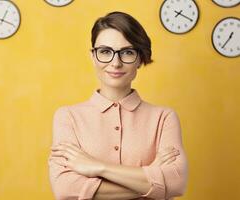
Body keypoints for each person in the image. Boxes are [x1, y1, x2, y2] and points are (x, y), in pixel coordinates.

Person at [48, 11, 188, 200]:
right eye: (105, 51)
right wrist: (153, 176)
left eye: (127, 52)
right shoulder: (67, 117)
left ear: (139, 59)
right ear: (93, 56)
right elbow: (65, 188)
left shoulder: (164, 118)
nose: (116, 63)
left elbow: (176, 183)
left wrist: (98, 167)